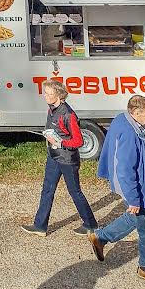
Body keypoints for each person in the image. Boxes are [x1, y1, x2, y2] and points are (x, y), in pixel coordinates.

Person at [89, 95, 145, 281]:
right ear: (135, 113)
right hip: (134, 187)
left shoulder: (122, 118)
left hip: (127, 183)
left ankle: (101, 237)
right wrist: (135, 199)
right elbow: (126, 169)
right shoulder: (129, 133)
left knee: (135, 218)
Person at [25, 77, 97, 236]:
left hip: (68, 159)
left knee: (75, 192)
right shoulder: (51, 109)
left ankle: (90, 224)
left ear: (59, 95)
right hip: (54, 156)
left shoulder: (68, 114)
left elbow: (78, 141)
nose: (45, 96)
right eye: (45, 92)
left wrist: (60, 143)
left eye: (49, 93)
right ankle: (40, 226)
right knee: (47, 190)